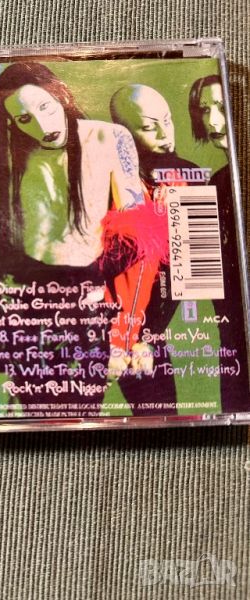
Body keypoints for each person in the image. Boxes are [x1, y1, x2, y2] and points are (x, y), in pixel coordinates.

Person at [0, 62, 164, 414]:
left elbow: (137, 235)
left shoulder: (109, 137)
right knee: (32, 411)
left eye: (45, 107)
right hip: (28, 300)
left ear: (62, 95)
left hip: (88, 293)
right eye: (24, 119)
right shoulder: (9, 151)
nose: (42, 126)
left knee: (82, 410)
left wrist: (123, 329)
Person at [109, 84, 204, 413]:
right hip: (107, 326)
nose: (165, 134)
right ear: (125, 134)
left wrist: (147, 337)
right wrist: (116, 337)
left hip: (156, 325)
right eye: (150, 127)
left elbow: (183, 277)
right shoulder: (108, 180)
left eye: (167, 120)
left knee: (161, 413)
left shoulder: (190, 178)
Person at [189, 75, 249, 410]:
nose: (212, 121)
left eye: (222, 107)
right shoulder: (219, 181)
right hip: (234, 332)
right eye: (204, 110)